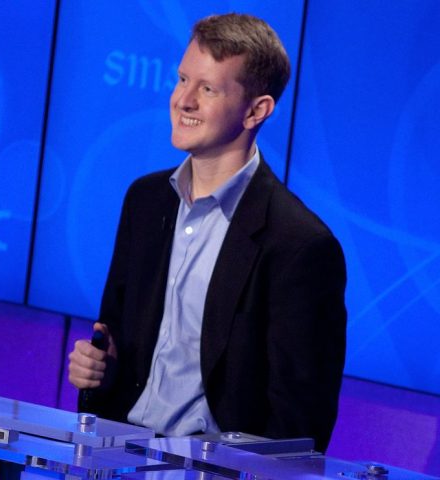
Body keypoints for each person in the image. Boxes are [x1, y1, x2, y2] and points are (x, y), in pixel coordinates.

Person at [67, 13, 346, 453]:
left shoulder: (300, 245)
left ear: (256, 110)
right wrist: (97, 371)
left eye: (208, 89)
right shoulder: (145, 201)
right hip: (116, 454)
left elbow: (298, 424)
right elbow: (114, 343)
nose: (183, 100)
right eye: (182, 80)